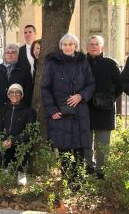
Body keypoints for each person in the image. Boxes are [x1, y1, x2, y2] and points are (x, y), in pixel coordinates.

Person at [41, 33, 95, 183]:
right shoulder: (53, 63)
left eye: (71, 44)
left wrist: (81, 96)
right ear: (61, 47)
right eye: (65, 44)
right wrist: (52, 110)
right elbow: (45, 88)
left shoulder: (83, 61)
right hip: (60, 112)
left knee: (79, 149)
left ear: (75, 46)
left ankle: (78, 183)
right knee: (63, 149)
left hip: (79, 112)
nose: (68, 47)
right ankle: (67, 181)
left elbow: (91, 84)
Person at [84, 35, 122, 177]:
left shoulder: (110, 64)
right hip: (85, 109)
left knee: (103, 143)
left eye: (97, 44)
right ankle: (88, 168)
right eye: (91, 44)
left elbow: (120, 84)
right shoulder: (82, 63)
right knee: (86, 142)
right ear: (87, 47)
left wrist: (110, 98)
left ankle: (101, 171)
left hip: (104, 110)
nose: (94, 46)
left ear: (102, 47)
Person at [0, 83, 36, 185]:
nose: (14, 95)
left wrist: (13, 141)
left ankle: (21, 180)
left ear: (22, 95)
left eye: (18, 92)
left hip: (20, 143)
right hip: (4, 142)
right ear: (8, 95)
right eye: (11, 92)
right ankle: (5, 179)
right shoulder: (2, 111)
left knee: (22, 153)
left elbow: (29, 133)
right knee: (0, 153)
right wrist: (4, 140)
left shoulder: (29, 112)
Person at [0, 44, 33, 116]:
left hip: (17, 111)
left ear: (18, 55)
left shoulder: (24, 70)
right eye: (7, 52)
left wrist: (23, 108)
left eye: (13, 52)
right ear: (4, 55)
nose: (10, 55)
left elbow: (28, 91)